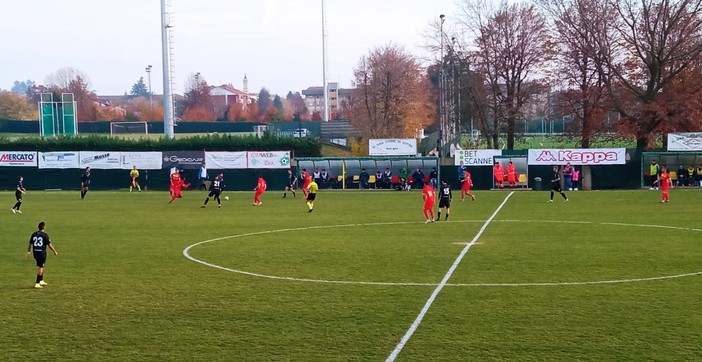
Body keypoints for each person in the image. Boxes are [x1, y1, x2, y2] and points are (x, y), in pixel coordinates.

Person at [27, 221, 58, 289]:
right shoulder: (45, 235)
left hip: (35, 253)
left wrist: (28, 252)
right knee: (41, 267)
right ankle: (37, 283)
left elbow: (30, 243)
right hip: (41, 253)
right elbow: (49, 245)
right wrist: (54, 251)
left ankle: (41, 280)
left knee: (40, 266)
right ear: (44, 227)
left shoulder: (34, 234)